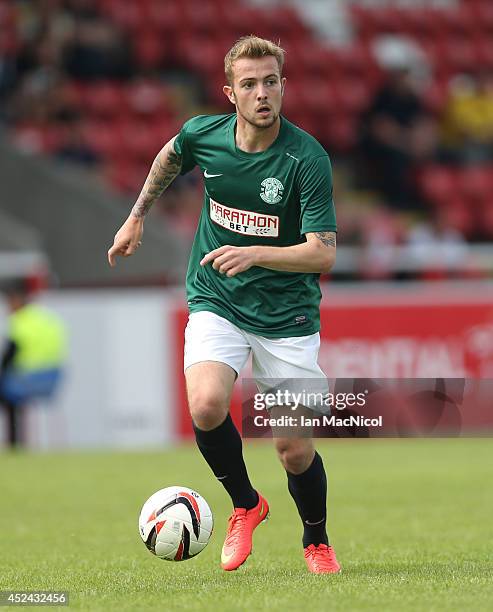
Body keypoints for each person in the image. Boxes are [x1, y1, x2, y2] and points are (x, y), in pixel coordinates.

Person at [108, 36, 340, 574]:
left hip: (287, 317)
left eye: (272, 82)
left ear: (284, 87)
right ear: (230, 94)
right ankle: (245, 505)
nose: (263, 93)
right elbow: (171, 155)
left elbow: (323, 253)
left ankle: (315, 539)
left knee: (292, 449)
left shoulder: (307, 159)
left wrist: (255, 252)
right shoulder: (203, 134)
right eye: (250, 84)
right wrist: (137, 214)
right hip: (218, 298)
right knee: (207, 405)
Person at [0, 279, 67, 447]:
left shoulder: (20, 321)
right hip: (54, 377)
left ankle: (14, 444)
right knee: (11, 391)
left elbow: (9, 356)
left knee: (7, 393)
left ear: (16, 300)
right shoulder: (46, 317)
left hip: (30, 379)